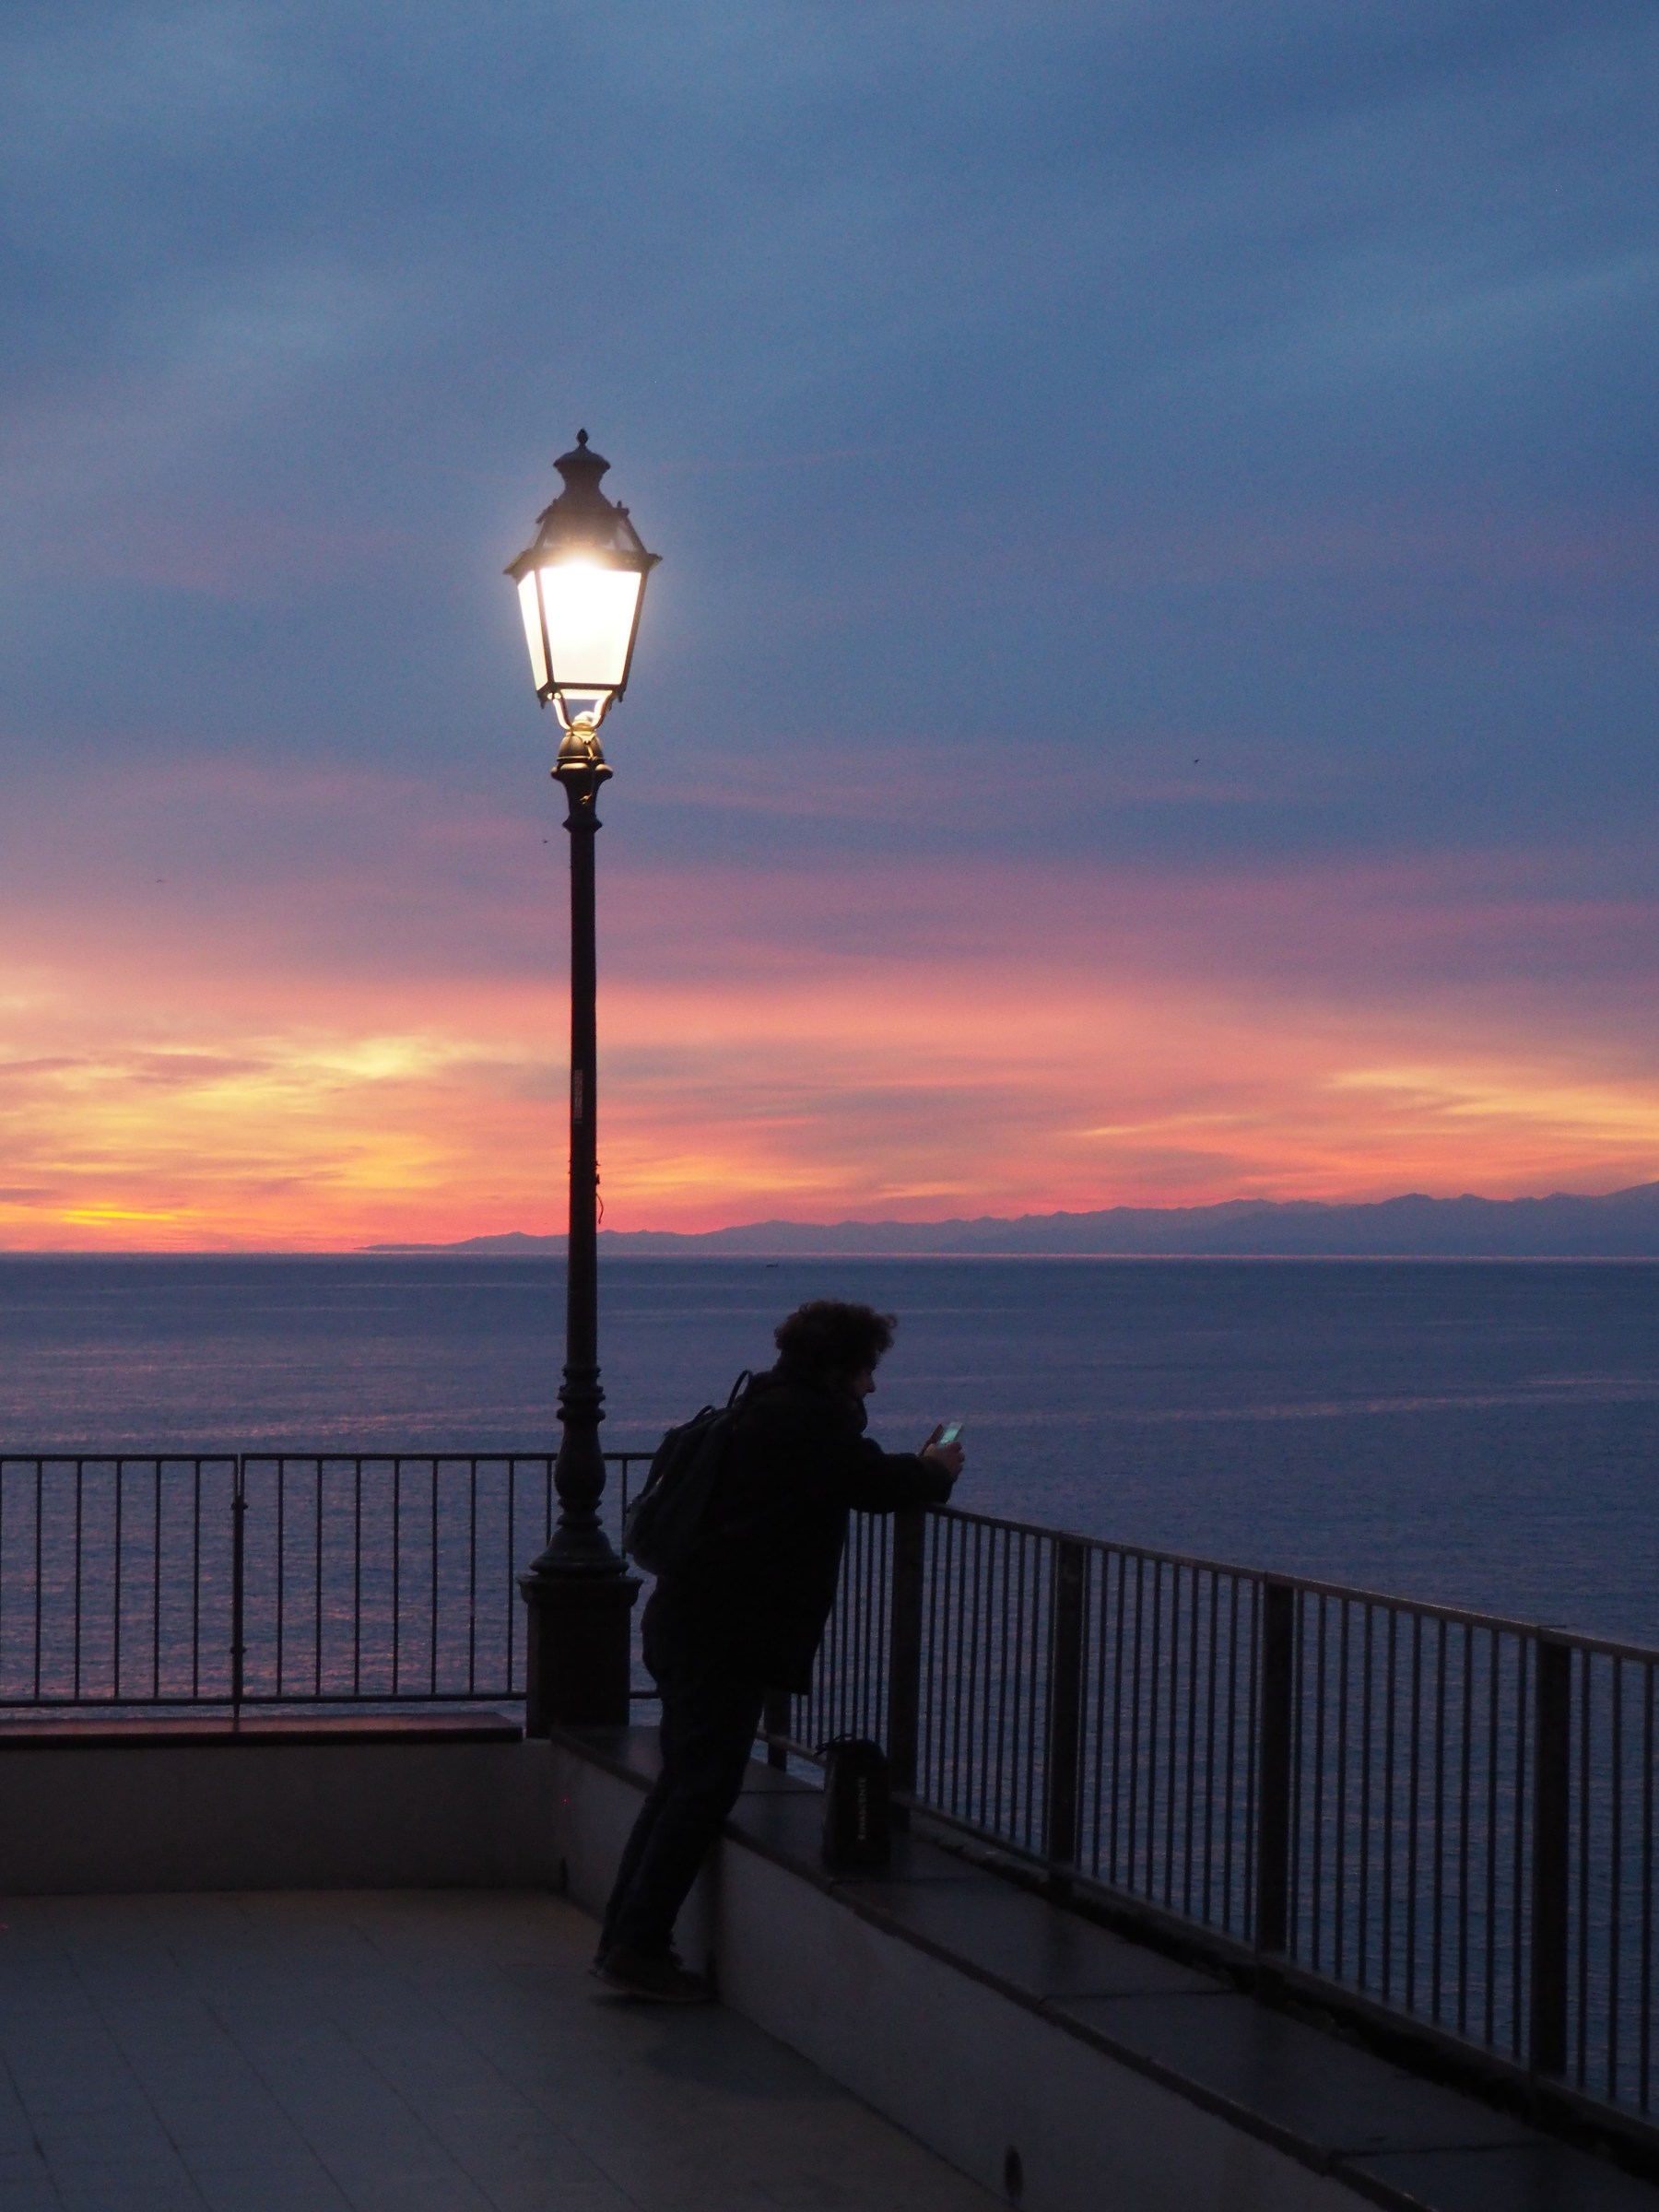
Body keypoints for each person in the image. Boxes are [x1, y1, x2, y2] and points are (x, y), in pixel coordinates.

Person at [596, 1299, 964, 2002]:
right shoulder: (807, 1422)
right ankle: (637, 1946)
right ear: (837, 1367)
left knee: (682, 1781)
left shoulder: (757, 1406)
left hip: (683, 1621)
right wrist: (937, 1470)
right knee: (700, 1788)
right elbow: (874, 1485)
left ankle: (625, 1937)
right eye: (865, 1371)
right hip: (724, 1633)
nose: (872, 1387)